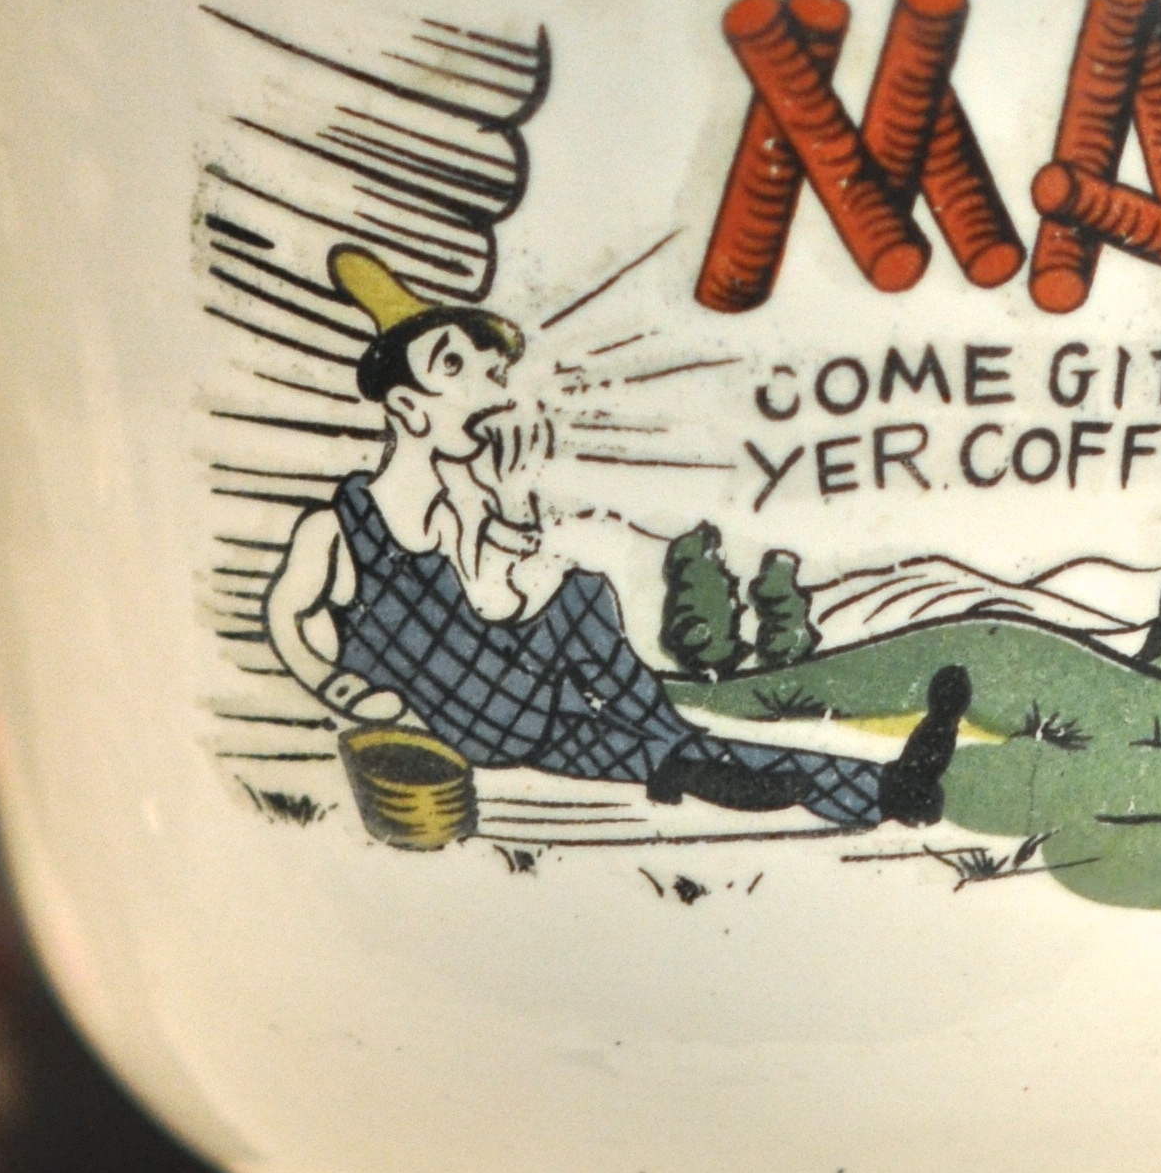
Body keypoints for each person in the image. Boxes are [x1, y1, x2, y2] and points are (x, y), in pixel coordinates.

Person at [262, 248, 968, 829]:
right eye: (455, 367)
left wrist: (512, 509)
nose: (490, 390)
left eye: (489, 372)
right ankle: (685, 749)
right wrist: (338, 687)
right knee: (581, 600)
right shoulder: (340, 530)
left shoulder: (460, 509)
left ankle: (890, 789)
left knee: (670, 754)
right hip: (470, 721)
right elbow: (286, 615)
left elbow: (502, 597)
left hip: (524, 710)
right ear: (408, 408)